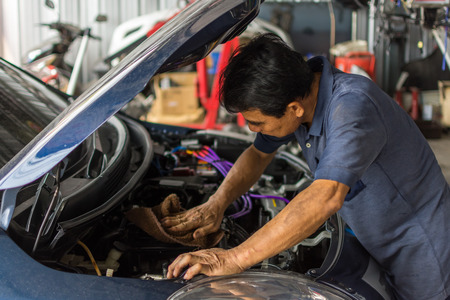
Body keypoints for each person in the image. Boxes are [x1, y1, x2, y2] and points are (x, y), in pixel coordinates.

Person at [162, 33, 450, 300]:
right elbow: (258, 154)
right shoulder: (300, 94)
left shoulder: (352, 109)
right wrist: (216, 204)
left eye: (257, 122)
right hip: (375, 239)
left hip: (421, 249)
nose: (252, 129)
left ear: (294, 109)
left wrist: (233, 258)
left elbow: (326, 196)